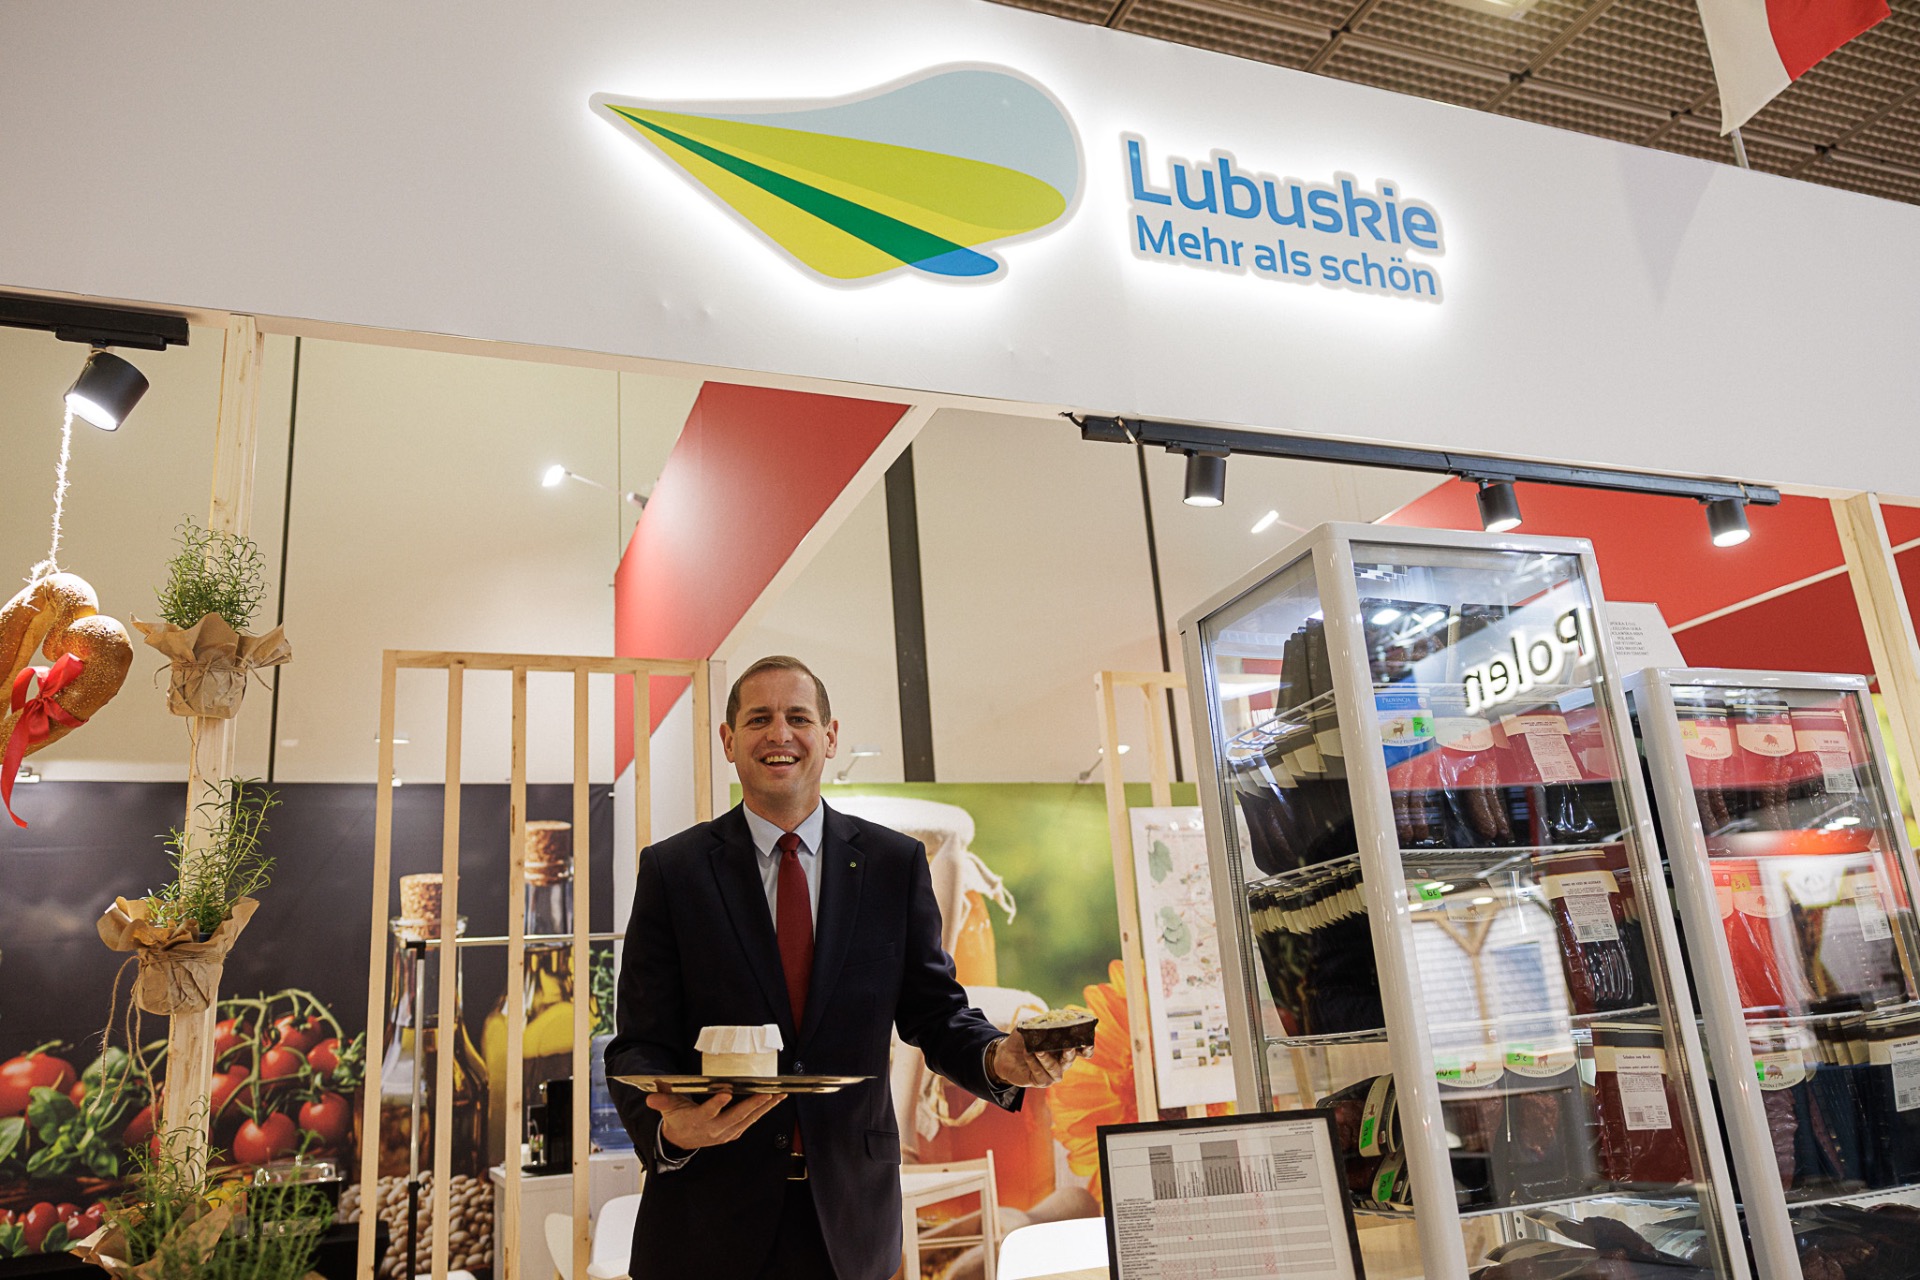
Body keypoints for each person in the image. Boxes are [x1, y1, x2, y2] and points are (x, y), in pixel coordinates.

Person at [607, 655, 1080, 1280]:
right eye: (759, 719)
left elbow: (935, 1014)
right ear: (728, 740)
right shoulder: (674, 872)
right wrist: (671, 1132)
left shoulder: (894, 865)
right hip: (705, 1221)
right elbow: (637, 1045)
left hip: (850, 1225)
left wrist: (998, 1059)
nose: (780, 733)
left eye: (799, 718)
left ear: (829, 736)